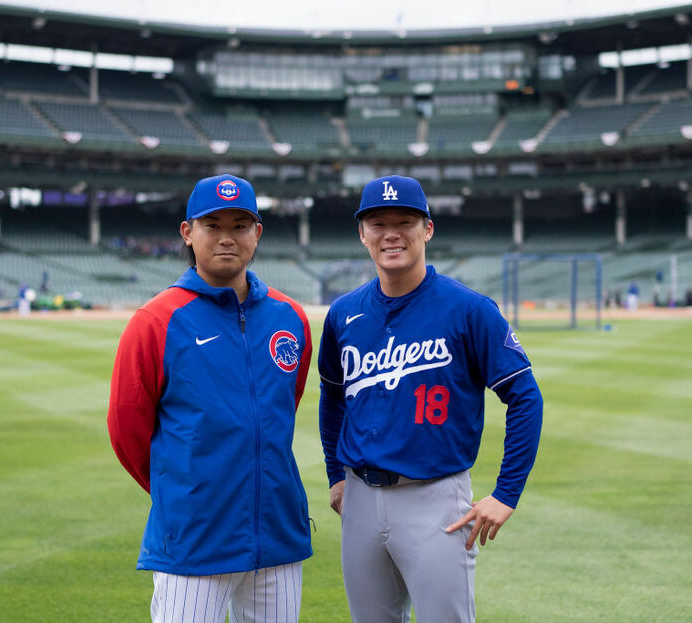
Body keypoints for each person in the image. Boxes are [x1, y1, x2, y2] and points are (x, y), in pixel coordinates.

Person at [318, 175, 543, 623]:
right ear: (362, 233)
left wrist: (506, 494)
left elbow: (524, 397)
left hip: (436, 498)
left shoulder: (469, 309)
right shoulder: (344, 313)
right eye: (378, 223)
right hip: (360, 496)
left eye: (405, 221)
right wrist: (334, 474)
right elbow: (333, 396)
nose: (391, 233)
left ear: (428, 229)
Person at [108, 174, 312, 623]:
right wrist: (185, 492)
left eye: (240, 225)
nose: (226, 237)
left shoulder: (290, 317)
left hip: (277, 533)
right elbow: (128, 431)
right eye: (212, 225)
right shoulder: (155, 321)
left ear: (257, 233)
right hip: (195, 538)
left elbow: (281, 410)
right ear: (188, 233)